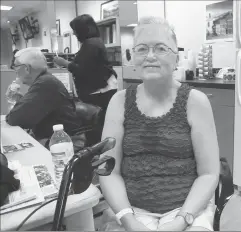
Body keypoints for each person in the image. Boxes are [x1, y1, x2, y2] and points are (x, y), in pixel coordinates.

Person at [99, 17, 220, 231]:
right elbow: (108, 170)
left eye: (161, 48)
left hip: (187, 208)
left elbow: (209, 173)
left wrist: (181, 220)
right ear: (132, 57)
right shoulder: (119, 102)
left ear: (177, 58)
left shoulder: (195, 101)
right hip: (131, 208)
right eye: (142, 49)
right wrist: (129, 220)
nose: (150, 56)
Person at [53, 14, 117, 144]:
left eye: (75, 30)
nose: (74, 33)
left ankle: (96, 153)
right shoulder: (95, 42)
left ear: (82, 30)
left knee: (97, 126)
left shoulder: (91, 44)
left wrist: (64, 63)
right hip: (103, 88)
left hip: (99, 90)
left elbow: (83, 70)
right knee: (102, 124)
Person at [6, 47, 85, 151]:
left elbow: (14, 119)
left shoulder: (44, 84)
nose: (15, 70)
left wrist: (18, 104)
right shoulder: (45, 80)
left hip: (65, 143)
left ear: (26, 68)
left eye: (16, 66)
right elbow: (26, 113)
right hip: (55, 138)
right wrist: (20, 100)